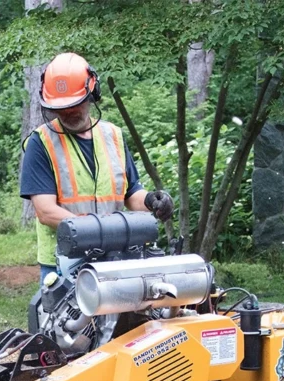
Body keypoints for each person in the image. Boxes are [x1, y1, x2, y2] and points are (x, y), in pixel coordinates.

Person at [19, 52, 174, 283]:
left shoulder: (113, 136)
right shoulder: (41, 142)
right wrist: (101, 233)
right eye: (61, 108)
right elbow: (45, 211)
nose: (69, 113)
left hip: (113, 258)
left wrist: (152, 201)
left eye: (75, 105)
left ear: (92, 94)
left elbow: (131, 194)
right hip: (64, 262)